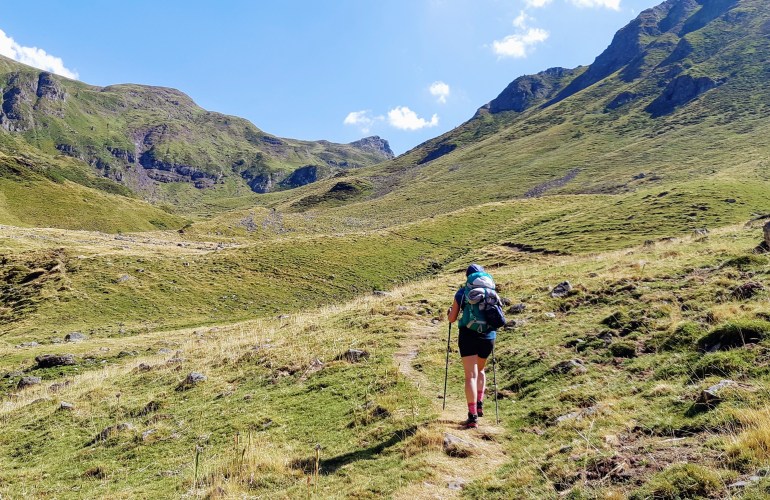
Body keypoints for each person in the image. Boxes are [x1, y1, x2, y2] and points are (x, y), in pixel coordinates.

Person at [447, 263, 496, 429]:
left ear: (468, 277)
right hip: (488, 337)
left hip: (468, 336)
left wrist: (450, 312)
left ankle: (472, 416)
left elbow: (452, 319)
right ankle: (480, 403)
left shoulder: (462, 293)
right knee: (481, 371)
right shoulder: (491, 291)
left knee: (470, 376)